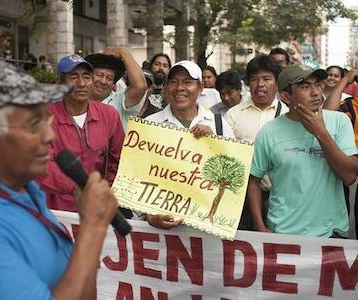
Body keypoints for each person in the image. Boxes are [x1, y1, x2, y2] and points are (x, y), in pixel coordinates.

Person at [0, 61, 118, 299]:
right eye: (34, 125)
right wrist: (93, 228)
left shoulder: (22, 187)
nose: (50, 135)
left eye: (47, 121)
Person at [248, 63, 358, 238]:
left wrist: (321, 134)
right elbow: (254, 181)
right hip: (282, 232)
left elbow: (350, 176)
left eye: (317, 84)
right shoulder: (269, 132)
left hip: (331, 233)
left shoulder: (339, 122)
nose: (315, 92)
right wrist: (259, 226)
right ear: (286, 96)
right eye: (305, 87)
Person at [145, 60, 235, 229]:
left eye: (187, 82)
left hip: (207, 226)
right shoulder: (150, 124)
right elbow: (137, 174)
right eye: (173, 82)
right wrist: (149, 215)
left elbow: (233, 175)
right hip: (161, 229)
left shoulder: (219, 125)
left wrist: (214, 143)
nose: (179, 88)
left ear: (200, 88)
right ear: (166, 88)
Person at [38, 54, 124, 212]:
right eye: (73, 77)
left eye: (87, 76)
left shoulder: (109, 115)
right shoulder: (45, 116)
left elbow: (118, 159)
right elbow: (42, 164)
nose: (82, 83)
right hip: (57, 210)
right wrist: (74, 187)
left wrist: (108, 189)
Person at [225, 55, 288, 230]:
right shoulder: (233, 115)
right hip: (239, 198)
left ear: (276, 83)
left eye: (266, 79)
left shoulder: (288, 115)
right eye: (255, 79)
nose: (260, 84)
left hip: (276, 199)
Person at [85, 48, 147, 129]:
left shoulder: (120, 101)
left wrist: (123, 52)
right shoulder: (76, 101)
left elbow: (140, 86)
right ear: (89, 76)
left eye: (109, 78)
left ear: (113, 84)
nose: (103, 81)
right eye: (100, 75)